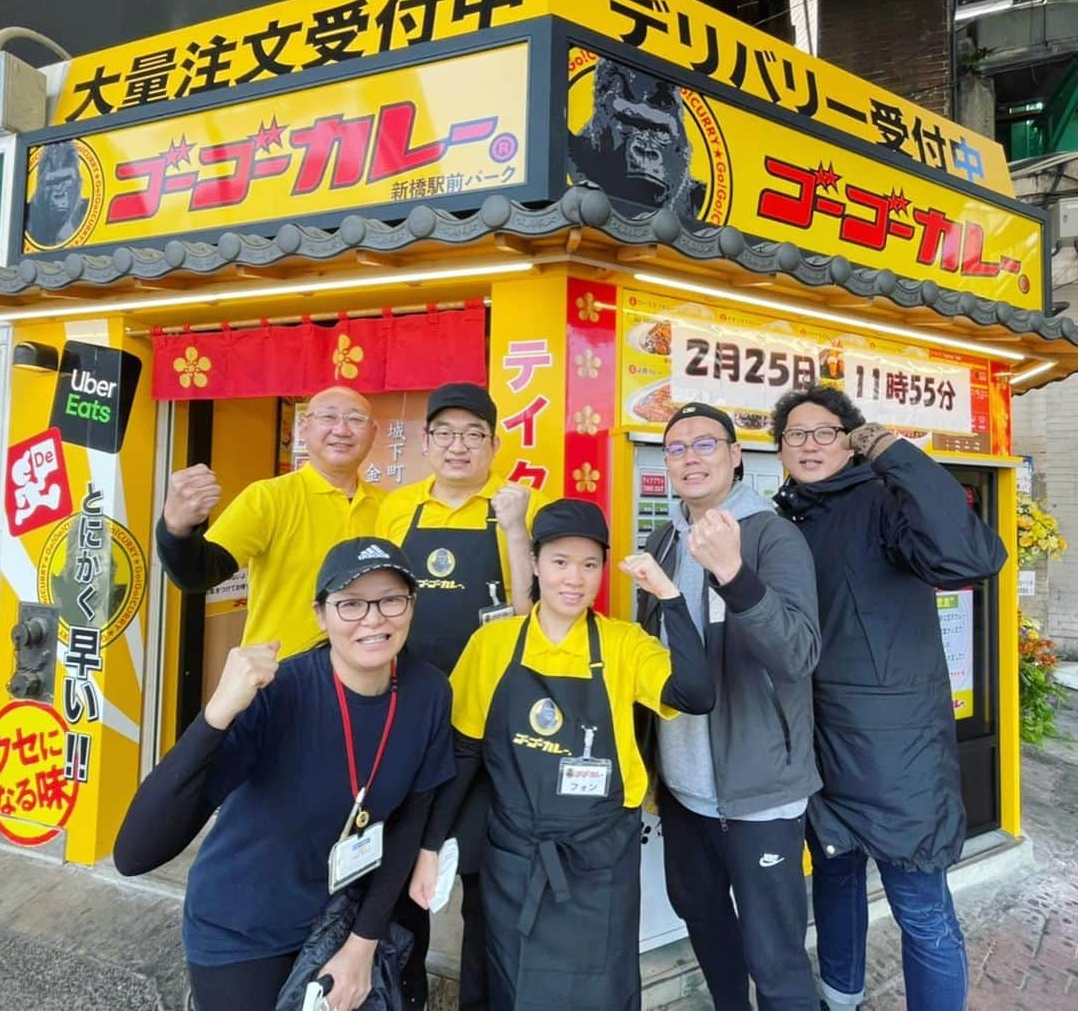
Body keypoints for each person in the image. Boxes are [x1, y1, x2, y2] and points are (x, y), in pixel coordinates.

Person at [113, 537, 454, 1011]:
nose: (374, 618)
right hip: (245, 926)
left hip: (342, 914)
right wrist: (216, 715)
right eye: (351, 604)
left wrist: (362, 945)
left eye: (391, 600)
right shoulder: (279, 695)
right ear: (321, 614)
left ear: (411, 606)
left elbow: (409, 822)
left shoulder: (429, 692)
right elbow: (134, 853)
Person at [409, 499, 714, 1010]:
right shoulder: (494, 644)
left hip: (600, 859)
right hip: (515, 857)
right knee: (510, 984)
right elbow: (462, 755)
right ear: (534, 564)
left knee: (601, 989)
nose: (575, 578)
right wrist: (429, 847)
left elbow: (697, 693)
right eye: (560, 562)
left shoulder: (623, 644)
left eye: (590, 564)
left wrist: (670, 597)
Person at [771, 385, 1007, 1011]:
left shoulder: (883, 502)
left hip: (895, 751)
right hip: (818, 741)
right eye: (795, 434)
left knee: (921, 907)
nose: (809, 444)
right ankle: (839, 996)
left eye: (825, 431)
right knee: (834, 879)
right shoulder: (785, 516)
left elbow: (973, 557)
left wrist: (892, 452)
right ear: (780, 450)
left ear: (851, 442)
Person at [636, 403, 822, 1010]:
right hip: (684, 788)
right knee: (707, 926)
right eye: (676, 448)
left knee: (775, 955)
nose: (690, 457)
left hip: (761, 790)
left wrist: (735, 574)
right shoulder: (664, 539)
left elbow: (797, 654)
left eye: (705, 444)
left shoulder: (772, 535)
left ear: (736, 455)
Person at [374, 382, 551, 1008]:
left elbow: (533, 613)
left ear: (494, 444)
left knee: (486, 874)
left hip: (490, 720)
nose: (458, 445)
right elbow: (376, 608)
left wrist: (514, 528)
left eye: (473, 434)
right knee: (396, 867)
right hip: (405, 716)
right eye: (444, 433)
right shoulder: (397, 508)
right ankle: (402, 990)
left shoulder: (515, 506)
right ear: (424, 443)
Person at [156, 386, 384, 657]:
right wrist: (176, 527)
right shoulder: (267, 497)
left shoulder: (392, 506)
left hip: (366, 674)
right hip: (277, 675)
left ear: (373, 433)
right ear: (303, 427)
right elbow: (199, 574)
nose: (342, 429)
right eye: (328, 417)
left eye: (356, 419)